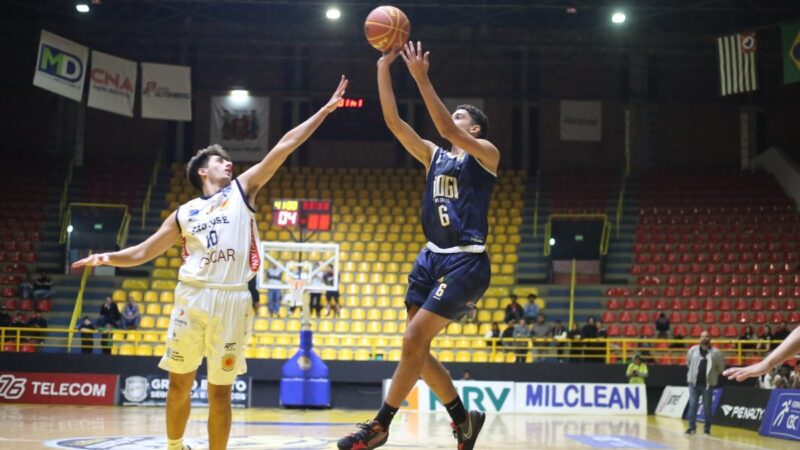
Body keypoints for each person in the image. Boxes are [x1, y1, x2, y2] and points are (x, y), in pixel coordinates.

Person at [72, 75, 349, 450]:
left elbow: (284, 145)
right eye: (221, 160)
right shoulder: (185, 212)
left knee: (222, 392)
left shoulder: (242, 190)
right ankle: (174, 446)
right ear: (203, 170)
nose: (229, 163)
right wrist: (103, 257)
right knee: (179, 383)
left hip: (234, 300)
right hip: (193, 297)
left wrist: (325, 111)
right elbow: (142, 252)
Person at [338, 42, 499, 450]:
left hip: (466, 260)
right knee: (417, 350)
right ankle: (464, 421)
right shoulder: (433, 157)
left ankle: (380, 424)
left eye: (461, 116)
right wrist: (382, 69)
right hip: (430, 257)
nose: (452, 120)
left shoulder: (485, 157)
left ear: (474, 130)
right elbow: (393, 122)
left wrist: (422, 79)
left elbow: (447, 128)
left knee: (412, 342)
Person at [685, 330, 725, 435]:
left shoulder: (716, 353)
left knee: (707, 407)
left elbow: (721, 368)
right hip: (693, 384)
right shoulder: (693, 350)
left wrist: (712, 375)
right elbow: (688, 363)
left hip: (708, 385)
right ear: (699, 338)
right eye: (702, 336)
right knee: (692, 405)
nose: (704, 338)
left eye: (706, 336)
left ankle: (707, 428)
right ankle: (691, 428)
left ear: (710, 339)